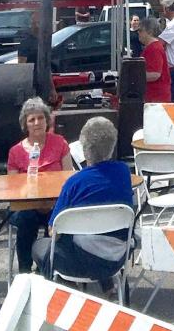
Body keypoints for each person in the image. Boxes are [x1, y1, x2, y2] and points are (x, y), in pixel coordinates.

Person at [32, 117, 132, 294]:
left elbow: (53, 231)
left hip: (78, 262)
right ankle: (108, 288)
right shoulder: (124, 172)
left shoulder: (75, 183)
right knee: (96, 237)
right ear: (112, 145)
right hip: (116, 258)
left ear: (85, 150)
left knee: (40, 246)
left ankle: (67, 289)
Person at [7, 98, 71, 273]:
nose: (37, 123)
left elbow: (68, 177)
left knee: (64, 218)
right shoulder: (16, 151)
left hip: (54, 203)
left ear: (47, 120)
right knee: (26, 219)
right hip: (27, 204)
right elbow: (13, 188)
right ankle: (25, 271)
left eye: (41, 118)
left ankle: (49, 267)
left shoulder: (59, 143)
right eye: (32, 119)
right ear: (25, 124)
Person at [138, 17, 171, 103]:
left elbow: (155, 74)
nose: (138, 32)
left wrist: (136, 77)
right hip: (154, 96)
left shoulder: (154, 48)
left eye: (141, 30)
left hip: (156, 98)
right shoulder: (152, 47)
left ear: (149, 32)